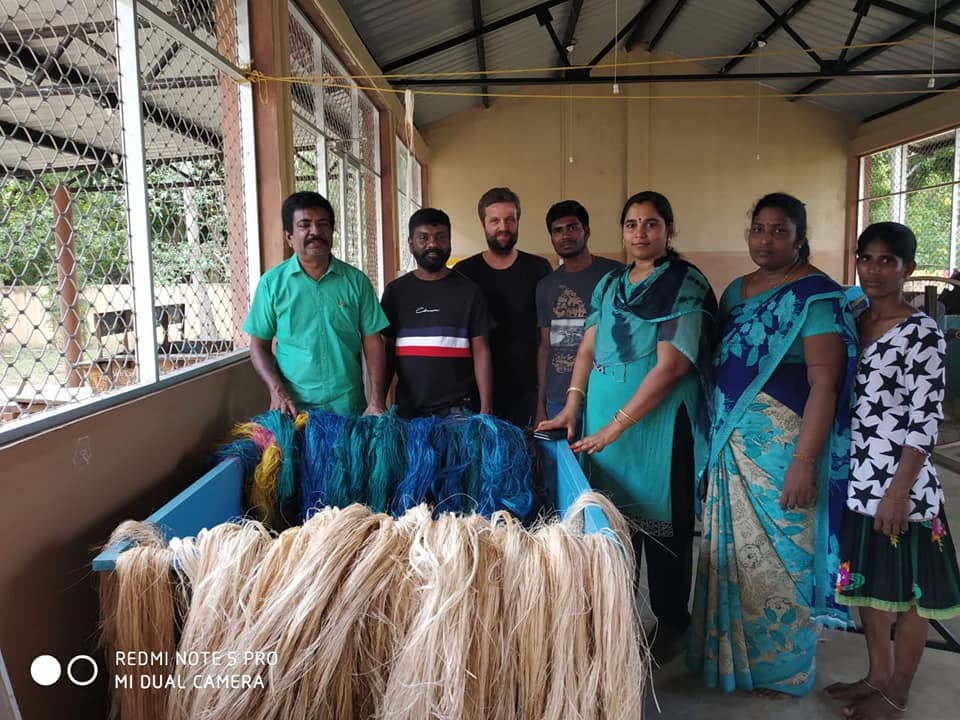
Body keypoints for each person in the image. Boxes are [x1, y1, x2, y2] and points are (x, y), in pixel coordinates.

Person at [687, 192, 858, 696]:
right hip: (730, 445)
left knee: (785, 557)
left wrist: (804, 461)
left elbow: (825, 384)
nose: (765, 239)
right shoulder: (736, 292)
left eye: (778, 230)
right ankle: (725, 661)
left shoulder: (816, 295)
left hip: (784, 447)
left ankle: (783, 669)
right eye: (758, 229)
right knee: (731, 552)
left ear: (800, 236)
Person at [537, 191, 716, 662]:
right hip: (601, 425)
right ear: (622, 231)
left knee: (664, 528)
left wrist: (616, 427)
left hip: (656, 427)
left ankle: (672, 621)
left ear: (669, 230)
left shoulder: (685, 283)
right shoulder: (610, 284)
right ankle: (616, 617)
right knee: (610, 525)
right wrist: (572, 406)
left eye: (651, 224)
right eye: (632, 224)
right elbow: (586, 349)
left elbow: (672, 367)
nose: (640, 233)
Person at [828, 222, 960, 720]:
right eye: (867, 258)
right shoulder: (856, 317)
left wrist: (898, 491)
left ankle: (897, 692)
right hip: (859, 479)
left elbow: (925, 421)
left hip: (901, 488)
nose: (875, 270)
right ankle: (875, 676)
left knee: (908, 597)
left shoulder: (922, 332)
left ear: (907, 267)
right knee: (868, 587)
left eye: (888, 261)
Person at [243, 191, 388, 417]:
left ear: (332, 231)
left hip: (347, 408)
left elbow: (373, 340)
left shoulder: (356, 281)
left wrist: (377, 400)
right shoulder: (271, 284)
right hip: (293, 411)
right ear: (288, 236)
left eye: (323, 224)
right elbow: (258, 345)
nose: (316, 232)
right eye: (304, 225)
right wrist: (276, 391)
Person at [380, 207, 493, 418]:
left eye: (441, 237)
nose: (433, 244)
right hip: (408, 411)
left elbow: (481, 350)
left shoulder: (470, 291)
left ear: (450, 242)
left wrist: (486, 408)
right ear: (411, 243)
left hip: (458, 411)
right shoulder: (395, 291)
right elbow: (387, 351)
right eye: (423, 238)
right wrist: (378, 401)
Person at [455, 187, 552, 428]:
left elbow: (546, 340)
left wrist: (542, 402)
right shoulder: (465, 273)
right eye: (495, 220)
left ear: (518, 221)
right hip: (475, 393)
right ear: (483, 224)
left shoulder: (539, 269)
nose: (503, 227)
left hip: (527, 390)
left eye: (510, 220)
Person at [535, 200, 622, 430]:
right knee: (562, 464)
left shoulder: (615, 275)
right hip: (558, 398)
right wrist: (540, 403)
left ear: (587, 231)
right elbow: (545, 347)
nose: (565, 235)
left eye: (572, 227)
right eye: (557, 231)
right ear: (551, 238)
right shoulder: (546, 286)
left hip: (604, 393)